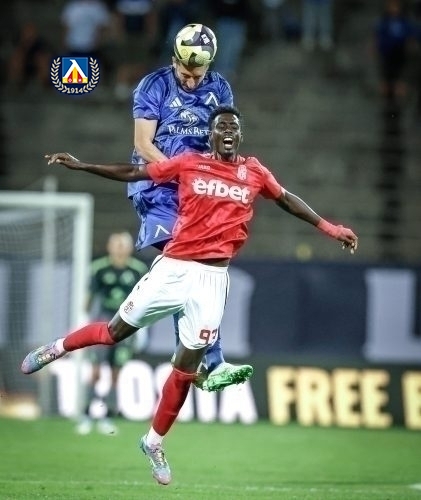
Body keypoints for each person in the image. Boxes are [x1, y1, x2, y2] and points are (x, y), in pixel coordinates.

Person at [22, 105, 358, 485]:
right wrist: (84, 166)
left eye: (233, 127)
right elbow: (135, 172)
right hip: (174, 269)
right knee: (114, 333)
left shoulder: (254, 172)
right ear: (210, 135)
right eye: (221, 127)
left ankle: (153, 442)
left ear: (240, 135)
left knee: (185, 371)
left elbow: (285, 199)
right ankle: (56, 348)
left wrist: (331, 229)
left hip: (213, 280)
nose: (227, 131)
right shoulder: (189, 163)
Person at [125, 22, 253, 392]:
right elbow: (143, 144)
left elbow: (223, 136)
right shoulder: (153, 85)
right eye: (186, 73)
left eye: (199, 74)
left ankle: (195, 356)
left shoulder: (220, 88)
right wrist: (181, 173)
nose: (192, 81)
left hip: (197, 193)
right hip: (158, 189)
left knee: (195, 270)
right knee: (187, 263)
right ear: (174, 60)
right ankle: (209, 359)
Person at [76, 231, 149, 436]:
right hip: (103, 324)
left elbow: (144, 301)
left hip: (126, 326)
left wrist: (143, 328)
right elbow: (89, 298)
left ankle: (107, 417)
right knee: (96, 372)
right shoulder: (98, 268)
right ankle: (86, 415)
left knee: (116, 374)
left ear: (129, 248)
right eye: (116, 244)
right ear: (109, 247)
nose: (119, 249)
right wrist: (83, 322)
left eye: (123, 245)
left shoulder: (138, 270)